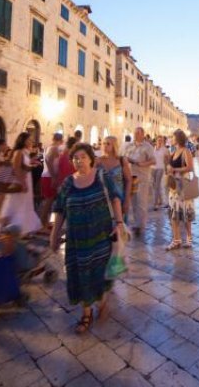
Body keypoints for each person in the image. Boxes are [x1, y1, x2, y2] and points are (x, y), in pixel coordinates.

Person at [50, 144, 124, 334]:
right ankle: (86, 313)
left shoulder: (102, 177)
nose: (78, 161)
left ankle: (102, 302)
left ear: (91, 158)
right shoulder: (68, 183)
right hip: (77, 240)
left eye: (82, 157)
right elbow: (59, 210)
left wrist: (119, 222)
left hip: (101, 237)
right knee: (80, 274)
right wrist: (55, 233)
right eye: (75, 158)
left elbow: (115, 198)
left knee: (99, 273)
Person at [0, 133, 41, 237]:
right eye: (29, 140)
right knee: (13, 205)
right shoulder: (18, 152)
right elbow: (15, 169)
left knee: (23, 205)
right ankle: (3, 229)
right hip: (19, 182)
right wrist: (23, 183)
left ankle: (23, 230)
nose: (31, 141)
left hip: (25, 180)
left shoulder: (25, 152)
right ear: (23, 140)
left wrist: (32, 162)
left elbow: (23, 166)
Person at [166, 130, 195, 250]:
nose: (171, 139)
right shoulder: (173, 152)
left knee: (186, 212)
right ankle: (176, 239)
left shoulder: (186, 151)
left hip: (184, 185)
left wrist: (175, 169)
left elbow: (190, 167)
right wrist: (168, 167)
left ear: (177, 138)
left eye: (172, 137)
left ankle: (189, 238)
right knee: (174, 212)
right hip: (173, 187)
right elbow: (169, 166)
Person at [125, 127, 156, 236]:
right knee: (133, 201)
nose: (136, 135)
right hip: (130, 177)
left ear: (143, 134)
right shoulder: (129, 146)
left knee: (141, 202)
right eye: (135, 132)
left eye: (138, 133)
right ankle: (136, 224)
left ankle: (141, 225)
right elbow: (124, 157)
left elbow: (153, 160)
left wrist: (141, 164)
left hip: (142, 177)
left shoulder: (148, 147)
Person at [97, 136, 133, 222]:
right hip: (103, 199)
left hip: (119, 197)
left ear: (114, 146)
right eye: (104, 144)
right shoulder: (98, 161)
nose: (105, 146)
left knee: (120, 225)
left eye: (108, 144)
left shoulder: (121, 160)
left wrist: (127, 200)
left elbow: (128, 180)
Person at [39, 133, 64, 228]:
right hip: (49, 176)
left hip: (48, 176)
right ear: (60, 140)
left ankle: (45, 222)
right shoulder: (53, 148)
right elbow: (48, 160)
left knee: (49, 201)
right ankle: (42, 223)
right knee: (48, 201)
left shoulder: (51, 147)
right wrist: (54, 176)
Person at [152, 136, 169, 210]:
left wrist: (166, 168)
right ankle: (161, 200)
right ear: (156, 141)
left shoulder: (164, 150)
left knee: (157, 185)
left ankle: (155, 204)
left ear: (163, 141)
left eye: (161, 140)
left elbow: (168, 159)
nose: (159, 142)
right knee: (154, 185)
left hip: (160, 168)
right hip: (152, 168)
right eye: (158, 140)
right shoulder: (153, 148)